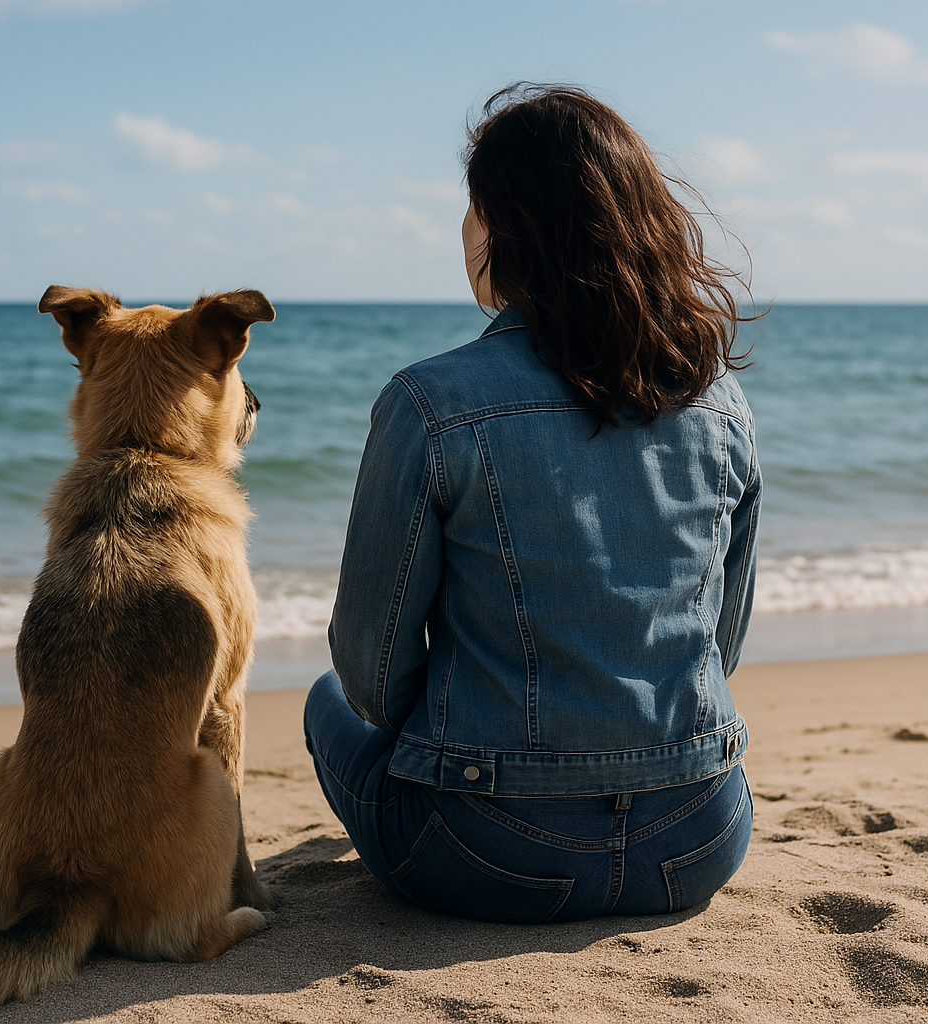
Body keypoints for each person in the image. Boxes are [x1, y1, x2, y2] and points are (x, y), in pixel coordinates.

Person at [303, 84, 761, 923]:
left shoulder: (430, 402)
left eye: (471, 208)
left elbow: (371, 679)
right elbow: (717, 650)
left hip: (492, 850)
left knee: (324, 700)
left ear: (500, 224)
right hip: (697, 838)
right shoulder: (719, 400)